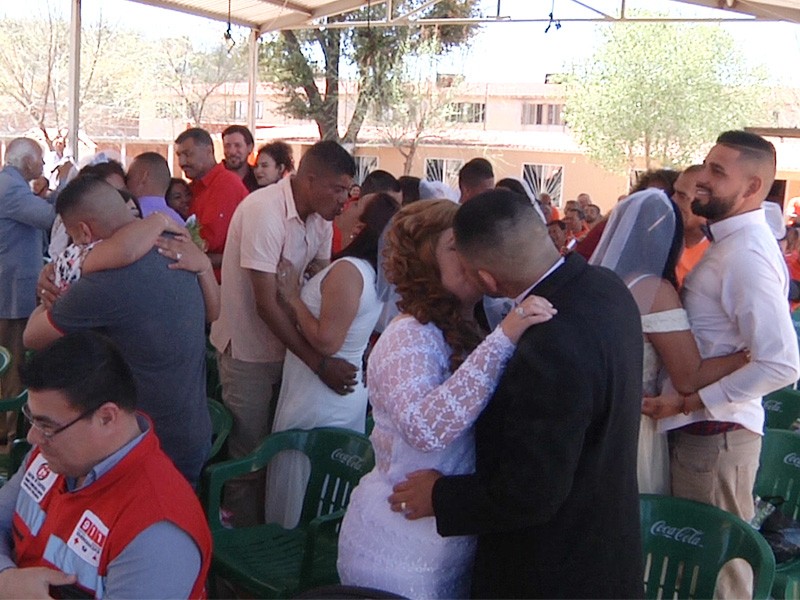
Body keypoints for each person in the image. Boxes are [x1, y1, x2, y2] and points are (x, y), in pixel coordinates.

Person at [389, 190, 645, 599]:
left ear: (487, 280)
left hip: (553, 570)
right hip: (609, 546)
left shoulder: (548, 340)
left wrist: (440, 495)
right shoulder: (606, 286)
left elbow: (530, 491)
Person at [337, 199, 557, 599]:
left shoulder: (475, 325)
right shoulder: (410, 334)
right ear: (425, 260)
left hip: (450, 538)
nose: (472, 254)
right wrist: (504, 338)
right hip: (398, 545)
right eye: (456, 246)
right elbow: (425, 429)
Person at [643, 131, 800, 598]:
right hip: (704, 433)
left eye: (717, 172)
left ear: (752, 188)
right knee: (698, 573)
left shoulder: (746, 254)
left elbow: (781, 364)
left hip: (716, 436)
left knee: (718, 577)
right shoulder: (730, 244)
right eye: (705, 166)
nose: (700, 183)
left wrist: (692, 399)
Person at [24, 176, 212, 487]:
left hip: (140, 446)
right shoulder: (177, 245)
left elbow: (32, 336)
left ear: (84, 231)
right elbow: (213, 312)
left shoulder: (104, 282)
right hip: (191, 433)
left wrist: (52, 294)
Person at [209, 140, 358, 527]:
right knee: (250, 456)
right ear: (309, 180)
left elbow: (320, 284)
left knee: (280, 453)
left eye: (349, 191)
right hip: (249, 353)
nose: (344, 200)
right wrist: (318, 362)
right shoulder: (265, 210)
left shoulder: (321, 220)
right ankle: (237, 545)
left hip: (290, 353)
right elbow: (265, 304)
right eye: (338, 189)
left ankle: (270, 529)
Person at [0, 331, 211, 599]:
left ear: (107, 418)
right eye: (32, 419)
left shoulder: (157, 532)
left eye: (46, 425)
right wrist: (6, 580)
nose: (33, 437)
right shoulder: (53, 456)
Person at [589, 189, 748, 495]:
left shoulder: (598, 281)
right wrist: (746, 357)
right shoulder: (653, 291)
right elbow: (689, 377)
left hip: (594, 420)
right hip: (634, 426)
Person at [264, 193, 399, 528]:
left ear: (363, 226)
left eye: (356, 204)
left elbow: (326, 340)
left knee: (302, 478)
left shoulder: (349, 271)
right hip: (334, 389)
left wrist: (294, 297)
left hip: (320, 389)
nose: (346, 205)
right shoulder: (360, 270)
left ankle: (291, 552)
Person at [0, 138, 55, 448]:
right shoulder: (12, 189)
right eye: (40, 160)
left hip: (10, 289)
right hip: (11, 295)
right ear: (26, 162)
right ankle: (10, 435)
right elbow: (50, 217)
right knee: (12, 365)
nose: (43, 165)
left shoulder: (9, 185)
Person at [175, 127, 249, 281]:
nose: (182, 162)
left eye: (188, 155)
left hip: (222, 285)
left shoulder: (225, 185)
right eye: (179, 155)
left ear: (209, 151)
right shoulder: (193, 188)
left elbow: (204, 243)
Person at [672, 165, 710, 287]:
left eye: (682, 196)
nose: (672, 200)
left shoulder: (717, 255)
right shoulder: (658, 241)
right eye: (674, 192)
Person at [125, 152, 185, 226]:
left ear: (143, 177)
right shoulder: (180, 222)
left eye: (129, 177)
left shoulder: (128, 214)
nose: (126, 184)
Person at [222, 124, 259, 192]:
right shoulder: (214, 177)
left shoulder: (258, 178)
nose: (232, 152)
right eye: (227, 146)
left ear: (250, 147)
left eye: (237, 145)